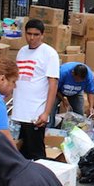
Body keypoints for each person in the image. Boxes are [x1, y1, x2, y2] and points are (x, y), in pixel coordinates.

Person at [12, 19, 59, 160]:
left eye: (36, 34)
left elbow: (53, 84)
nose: (32, 38)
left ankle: (42, 181)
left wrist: (46, 113)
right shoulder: (22, 51)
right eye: (29, 34)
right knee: (21, 154)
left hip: (36, 113)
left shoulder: (49, 53)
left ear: (42, 35)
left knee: (37, 154)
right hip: (20, 111)